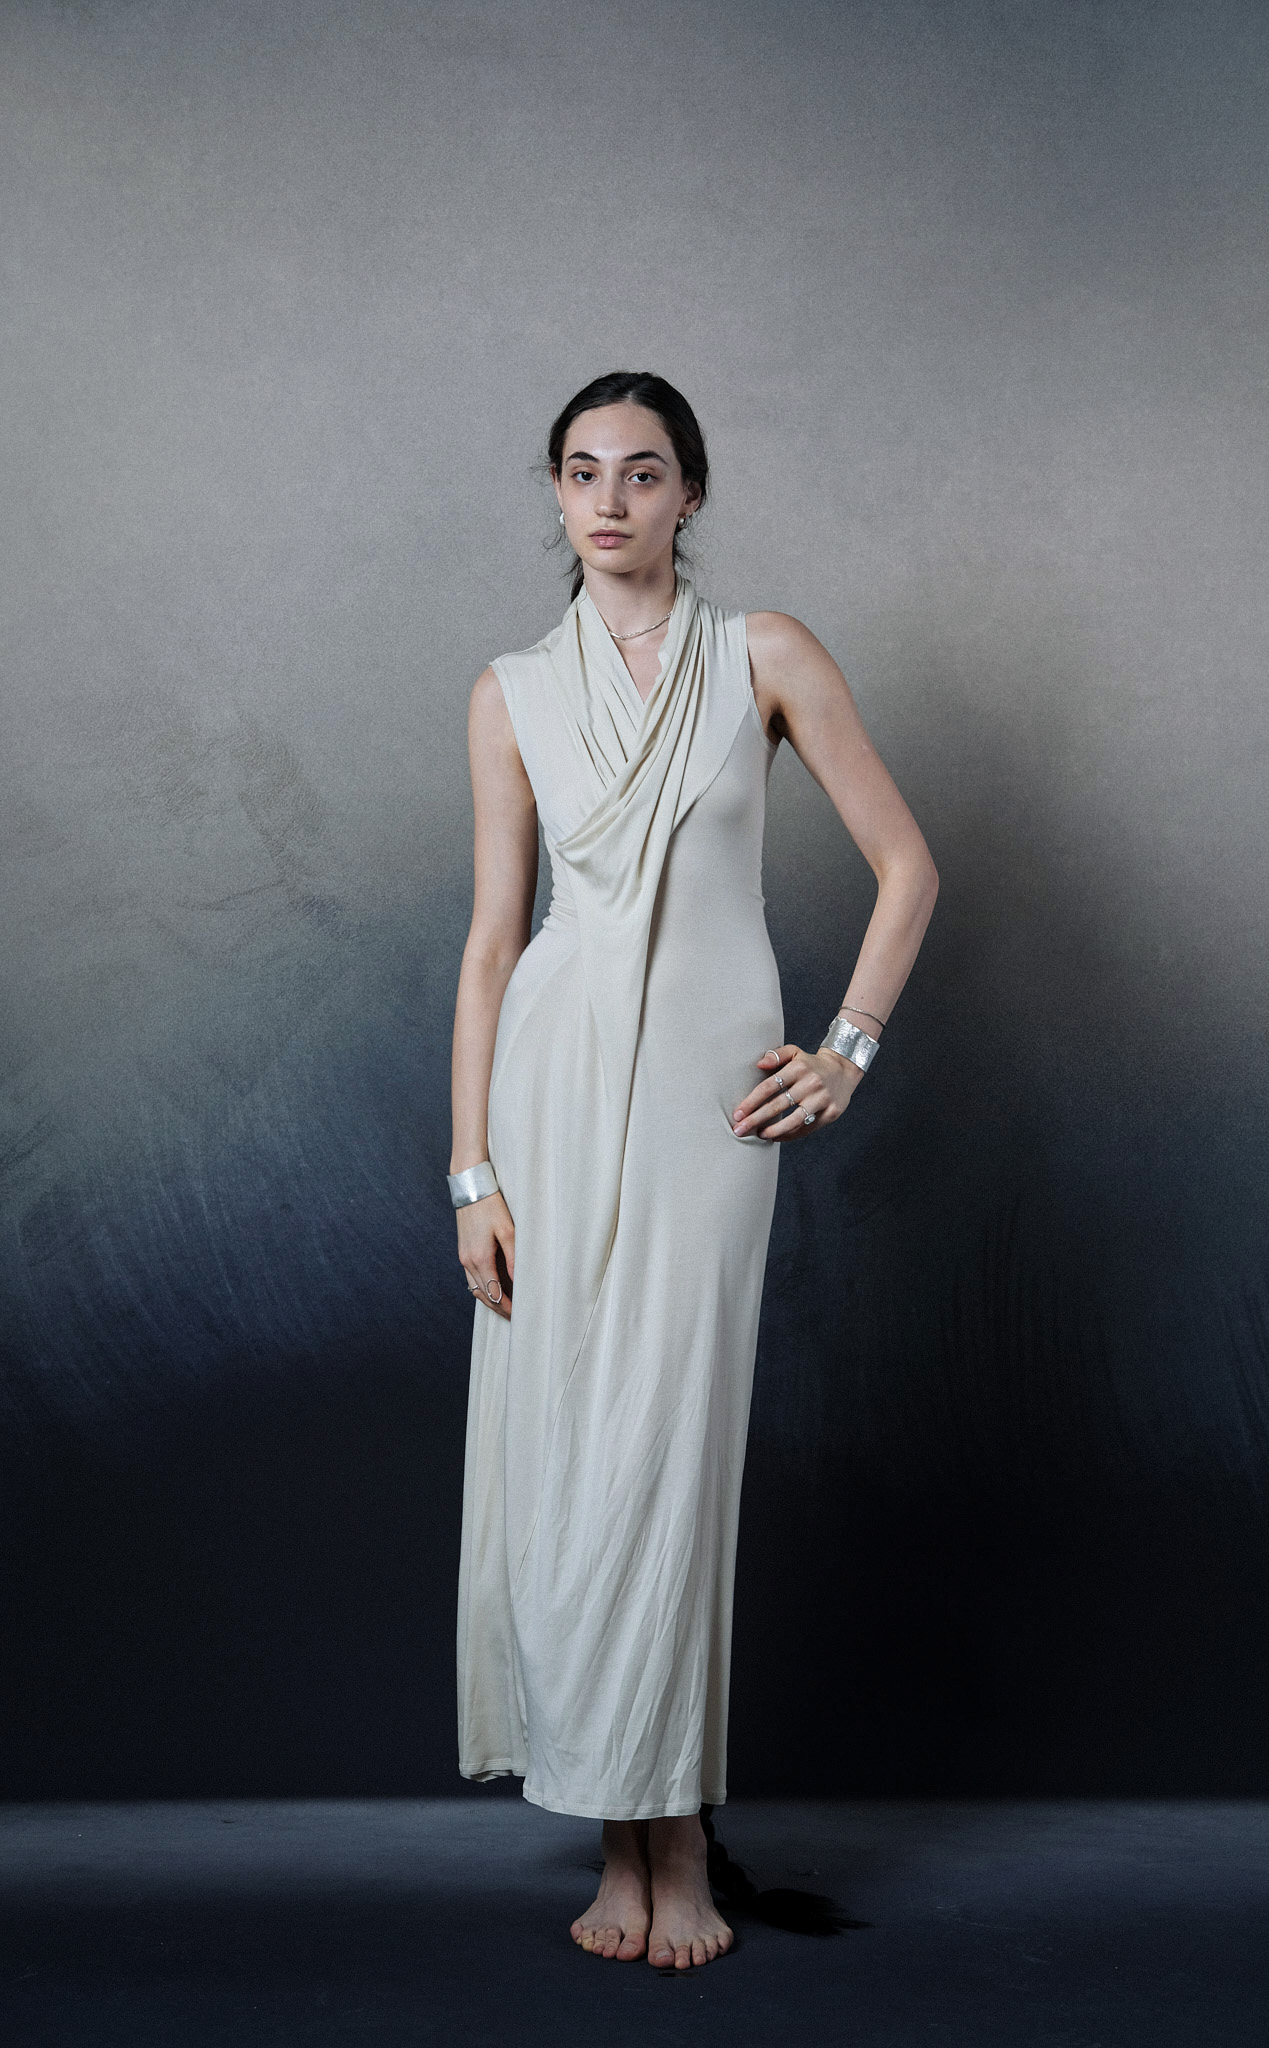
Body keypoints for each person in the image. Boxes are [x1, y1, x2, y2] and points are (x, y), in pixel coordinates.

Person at [447, 371, 938, 1970]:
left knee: (669, 1455)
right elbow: (491, 943)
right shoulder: (510, 691)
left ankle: (678, 1840)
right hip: (549, 1091)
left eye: (643, 472)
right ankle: (630, 1845)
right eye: (583, 471)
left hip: (707, 1107)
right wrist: (470, 1175)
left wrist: (846, 1047)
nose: (610, 500)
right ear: (554, 491)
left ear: (690, 494)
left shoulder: (763, 655)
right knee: (568, 1453)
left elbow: (907, 865)